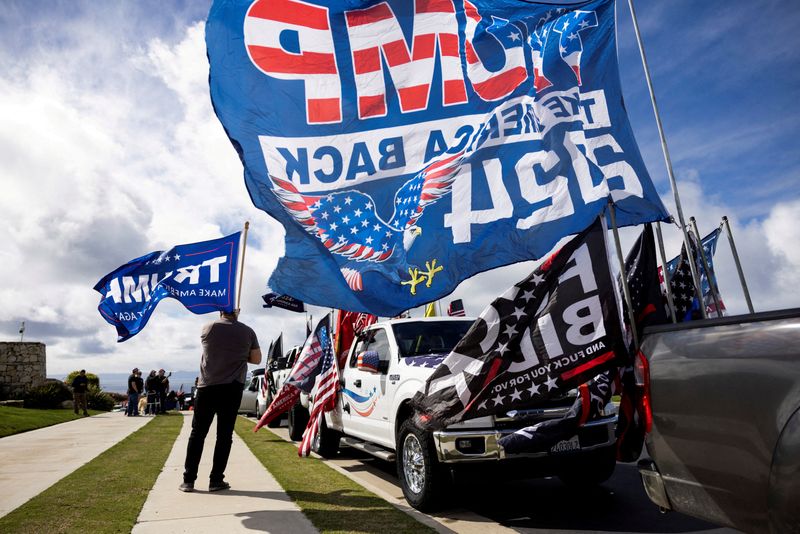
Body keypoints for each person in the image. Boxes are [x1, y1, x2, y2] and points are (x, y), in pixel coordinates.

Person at [180, 309, 261, 493]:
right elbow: (256, 359)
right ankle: (216, 480)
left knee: (197, 434)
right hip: (232, 388)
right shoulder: (248, 332)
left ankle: (188, 480)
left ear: (220, 310)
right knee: (224, 436)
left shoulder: (208, 327)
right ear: (238, 310)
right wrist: (241, 354)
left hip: (207, 386)